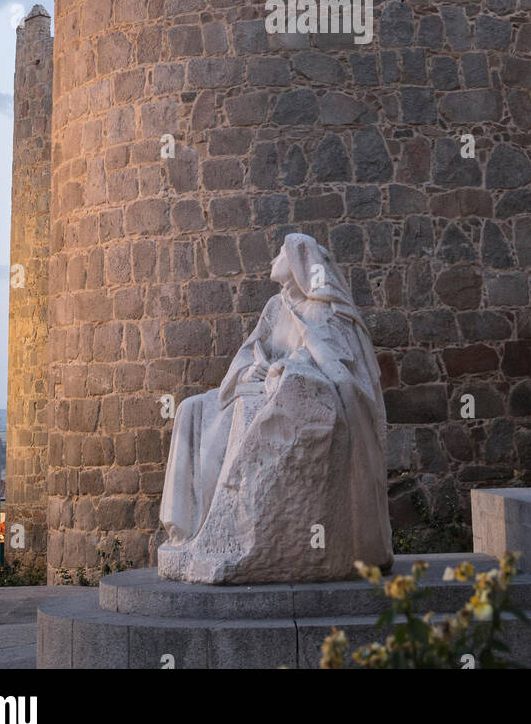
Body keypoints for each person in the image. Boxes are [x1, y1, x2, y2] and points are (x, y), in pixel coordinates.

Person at [160, 231, 393, 584]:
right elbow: (252, 350)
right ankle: (185, 529)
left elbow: (336, 367)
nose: (272, 261)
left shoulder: (326, 312)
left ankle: (228, 533)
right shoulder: (275, 307)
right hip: (253, 388)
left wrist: (283, 369)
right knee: (191, 408)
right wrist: (250, 367)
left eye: (279, 254)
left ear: (298, 263)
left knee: (243, 417)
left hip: (287, 395)